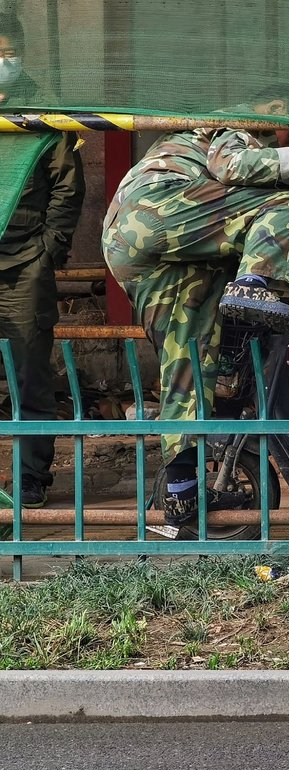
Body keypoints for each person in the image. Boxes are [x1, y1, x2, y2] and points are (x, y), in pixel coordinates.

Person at [102, 99, 289, 525]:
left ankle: (180, 491)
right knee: (284, 205)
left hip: (142, 245)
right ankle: (254, 285)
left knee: (187, 361)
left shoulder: (225, 206)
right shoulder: (244, 124)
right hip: (158, 208)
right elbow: (231, 164)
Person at [0, 13, 85, 508]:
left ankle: (31, 477)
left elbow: (67, 190)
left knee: (29, 375)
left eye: (8, 53)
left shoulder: (44, 116)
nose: (3, 63)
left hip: (25, 264)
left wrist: (47, 252)